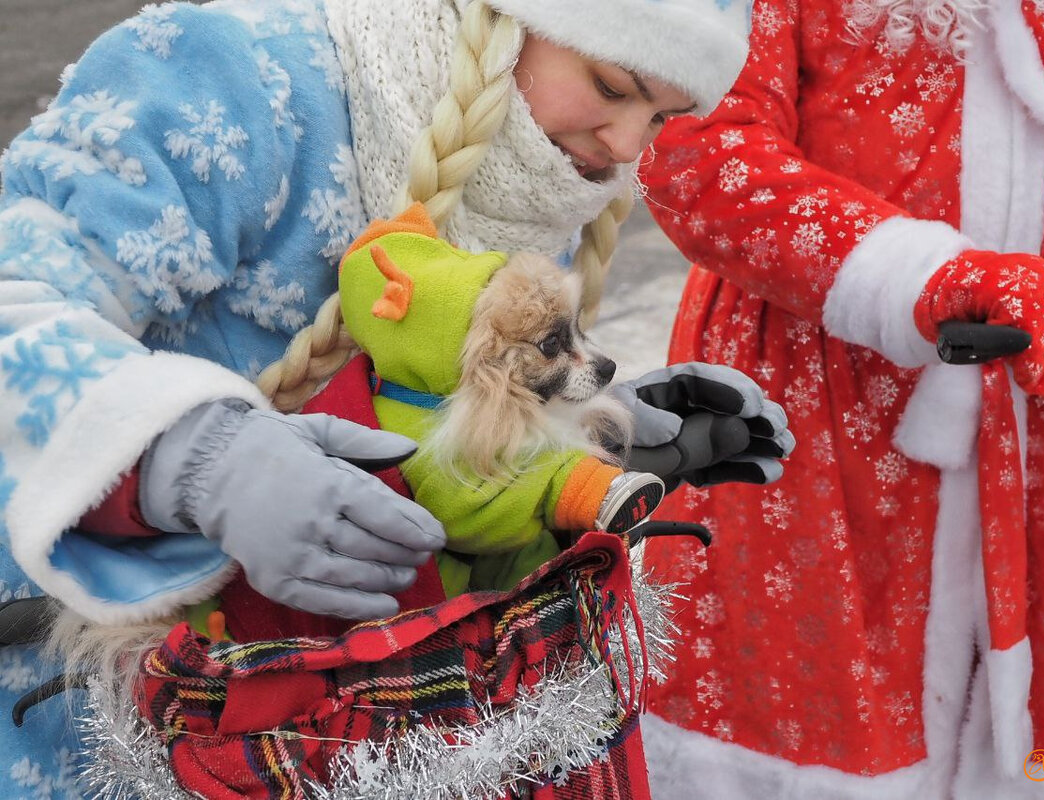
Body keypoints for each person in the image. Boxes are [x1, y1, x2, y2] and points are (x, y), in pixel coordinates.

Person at [0, 0, 794, 795]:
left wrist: (581, 436)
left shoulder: (538, 164)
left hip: (343, 726)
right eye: (613, 85)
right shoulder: (234, 72)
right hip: (88, 698)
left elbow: (428, 419)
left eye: (662, 118)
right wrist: (190, 457)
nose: (625, 149)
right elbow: (17, 296)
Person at [638, 0, 1044, 797]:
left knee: (1043, 748)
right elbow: (689, 147)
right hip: (812, 413)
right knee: (808, 748)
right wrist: (925, 277)